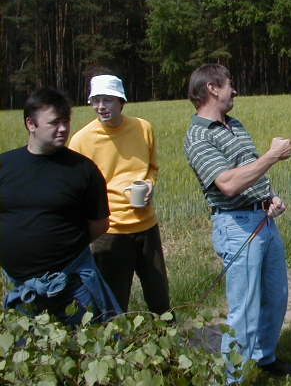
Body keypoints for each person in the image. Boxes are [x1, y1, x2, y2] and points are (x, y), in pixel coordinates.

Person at [184, 63, 291, 380]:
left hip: (262, 219)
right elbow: (229, 184)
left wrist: (269, 197)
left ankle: (265, 357)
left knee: (276, 296)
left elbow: (249, 171)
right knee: (244, 311)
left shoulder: (234, 124)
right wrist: (273, 156)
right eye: (229, 84)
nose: (234, 90)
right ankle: (229, 378)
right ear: (212, 88)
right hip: (236, 227)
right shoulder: (198, 136)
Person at [0, 88, 121, 326]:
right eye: (54, 123)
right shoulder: (5, 167)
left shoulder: (83, 170)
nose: (63, 129)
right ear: (31, 124)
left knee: (87, 352)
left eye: (66, 121)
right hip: (23, 289)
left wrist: (62, 248)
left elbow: (99, 224)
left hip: (73, 284)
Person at [68, 74, 170, 315]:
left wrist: (149, 185)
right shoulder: (82, 141)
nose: (101, 107)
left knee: (159, 296)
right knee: (114, 302)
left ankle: (168, 344)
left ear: (121, 101)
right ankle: (117, 349)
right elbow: (76, 189)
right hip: (110, 232)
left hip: (147, 226)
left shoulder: (143, 128)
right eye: (96, 100)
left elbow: (152, 168)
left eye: (108, 100)